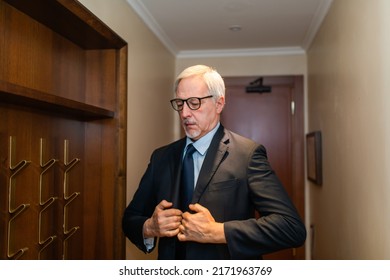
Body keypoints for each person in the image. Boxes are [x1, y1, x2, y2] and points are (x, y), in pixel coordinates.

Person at [122, 65, 306, 259]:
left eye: (194, 102)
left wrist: (217, 232)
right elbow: (129, 219)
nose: (184, 113)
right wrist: (149, 227)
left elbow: (291, 228)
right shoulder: (161, 157)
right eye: (180, 103)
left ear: (219, 104)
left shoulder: (248, 155)